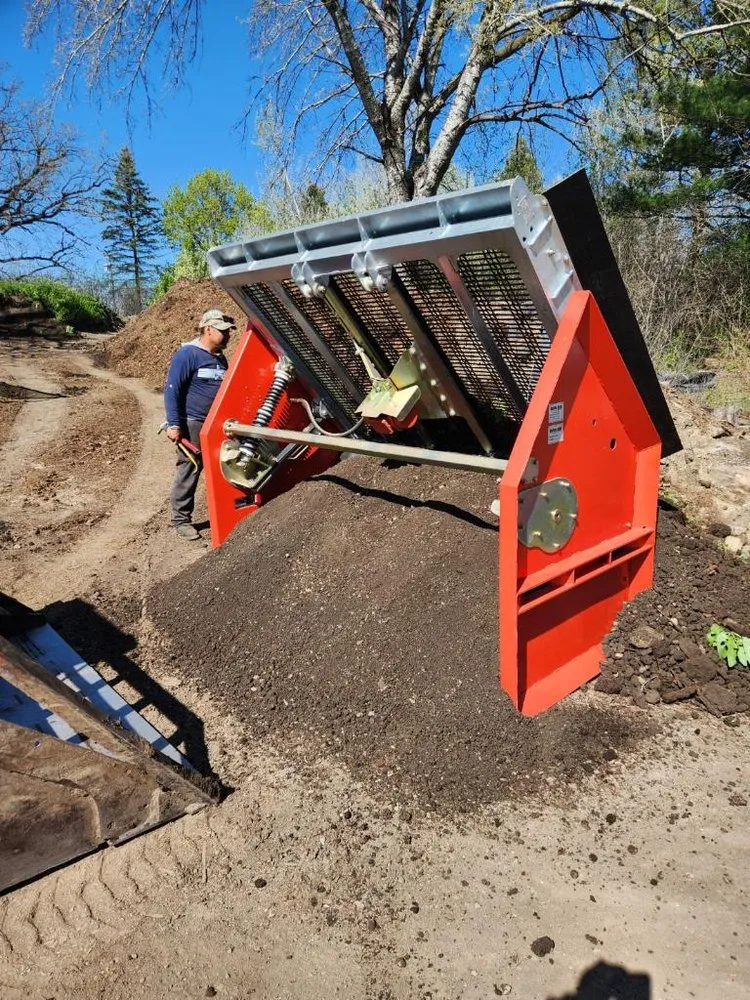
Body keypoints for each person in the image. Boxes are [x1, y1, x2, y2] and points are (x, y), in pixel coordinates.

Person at [164, 308, 236, 539]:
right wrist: (174, 424)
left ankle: (227, 515)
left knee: (225, 466)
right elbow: (172, 390)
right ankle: (181, 520)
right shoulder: (188, 355)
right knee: (190, 468)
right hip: (193, 423)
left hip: (216, 424)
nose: (227, 335)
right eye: (222, 331)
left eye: (229, 331)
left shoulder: (218, 358)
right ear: (208, 329)